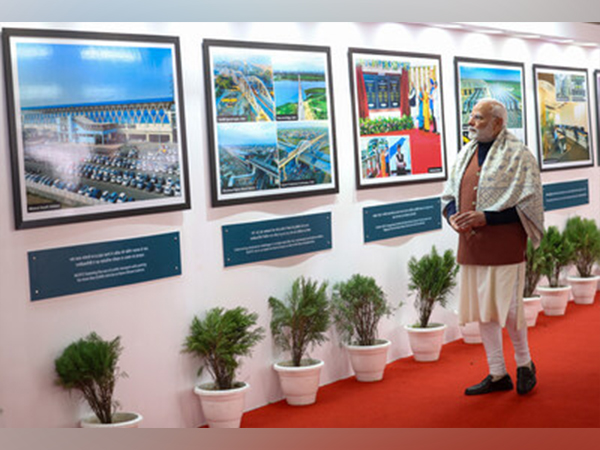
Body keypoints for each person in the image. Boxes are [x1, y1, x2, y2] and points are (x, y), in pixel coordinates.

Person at [442, 98, 544, 396]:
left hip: (505, 246)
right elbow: (448, 197)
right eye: (471, 118)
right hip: (472, 246)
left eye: (478, 118)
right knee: (483, 312)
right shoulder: (465, 154)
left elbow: (531, 207)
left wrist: (487, 217)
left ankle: (525, 365)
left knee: (511, 311)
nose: (471, 123)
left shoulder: (520, 155)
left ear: (498, 122)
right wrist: (452, 219)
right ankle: (498, 373)